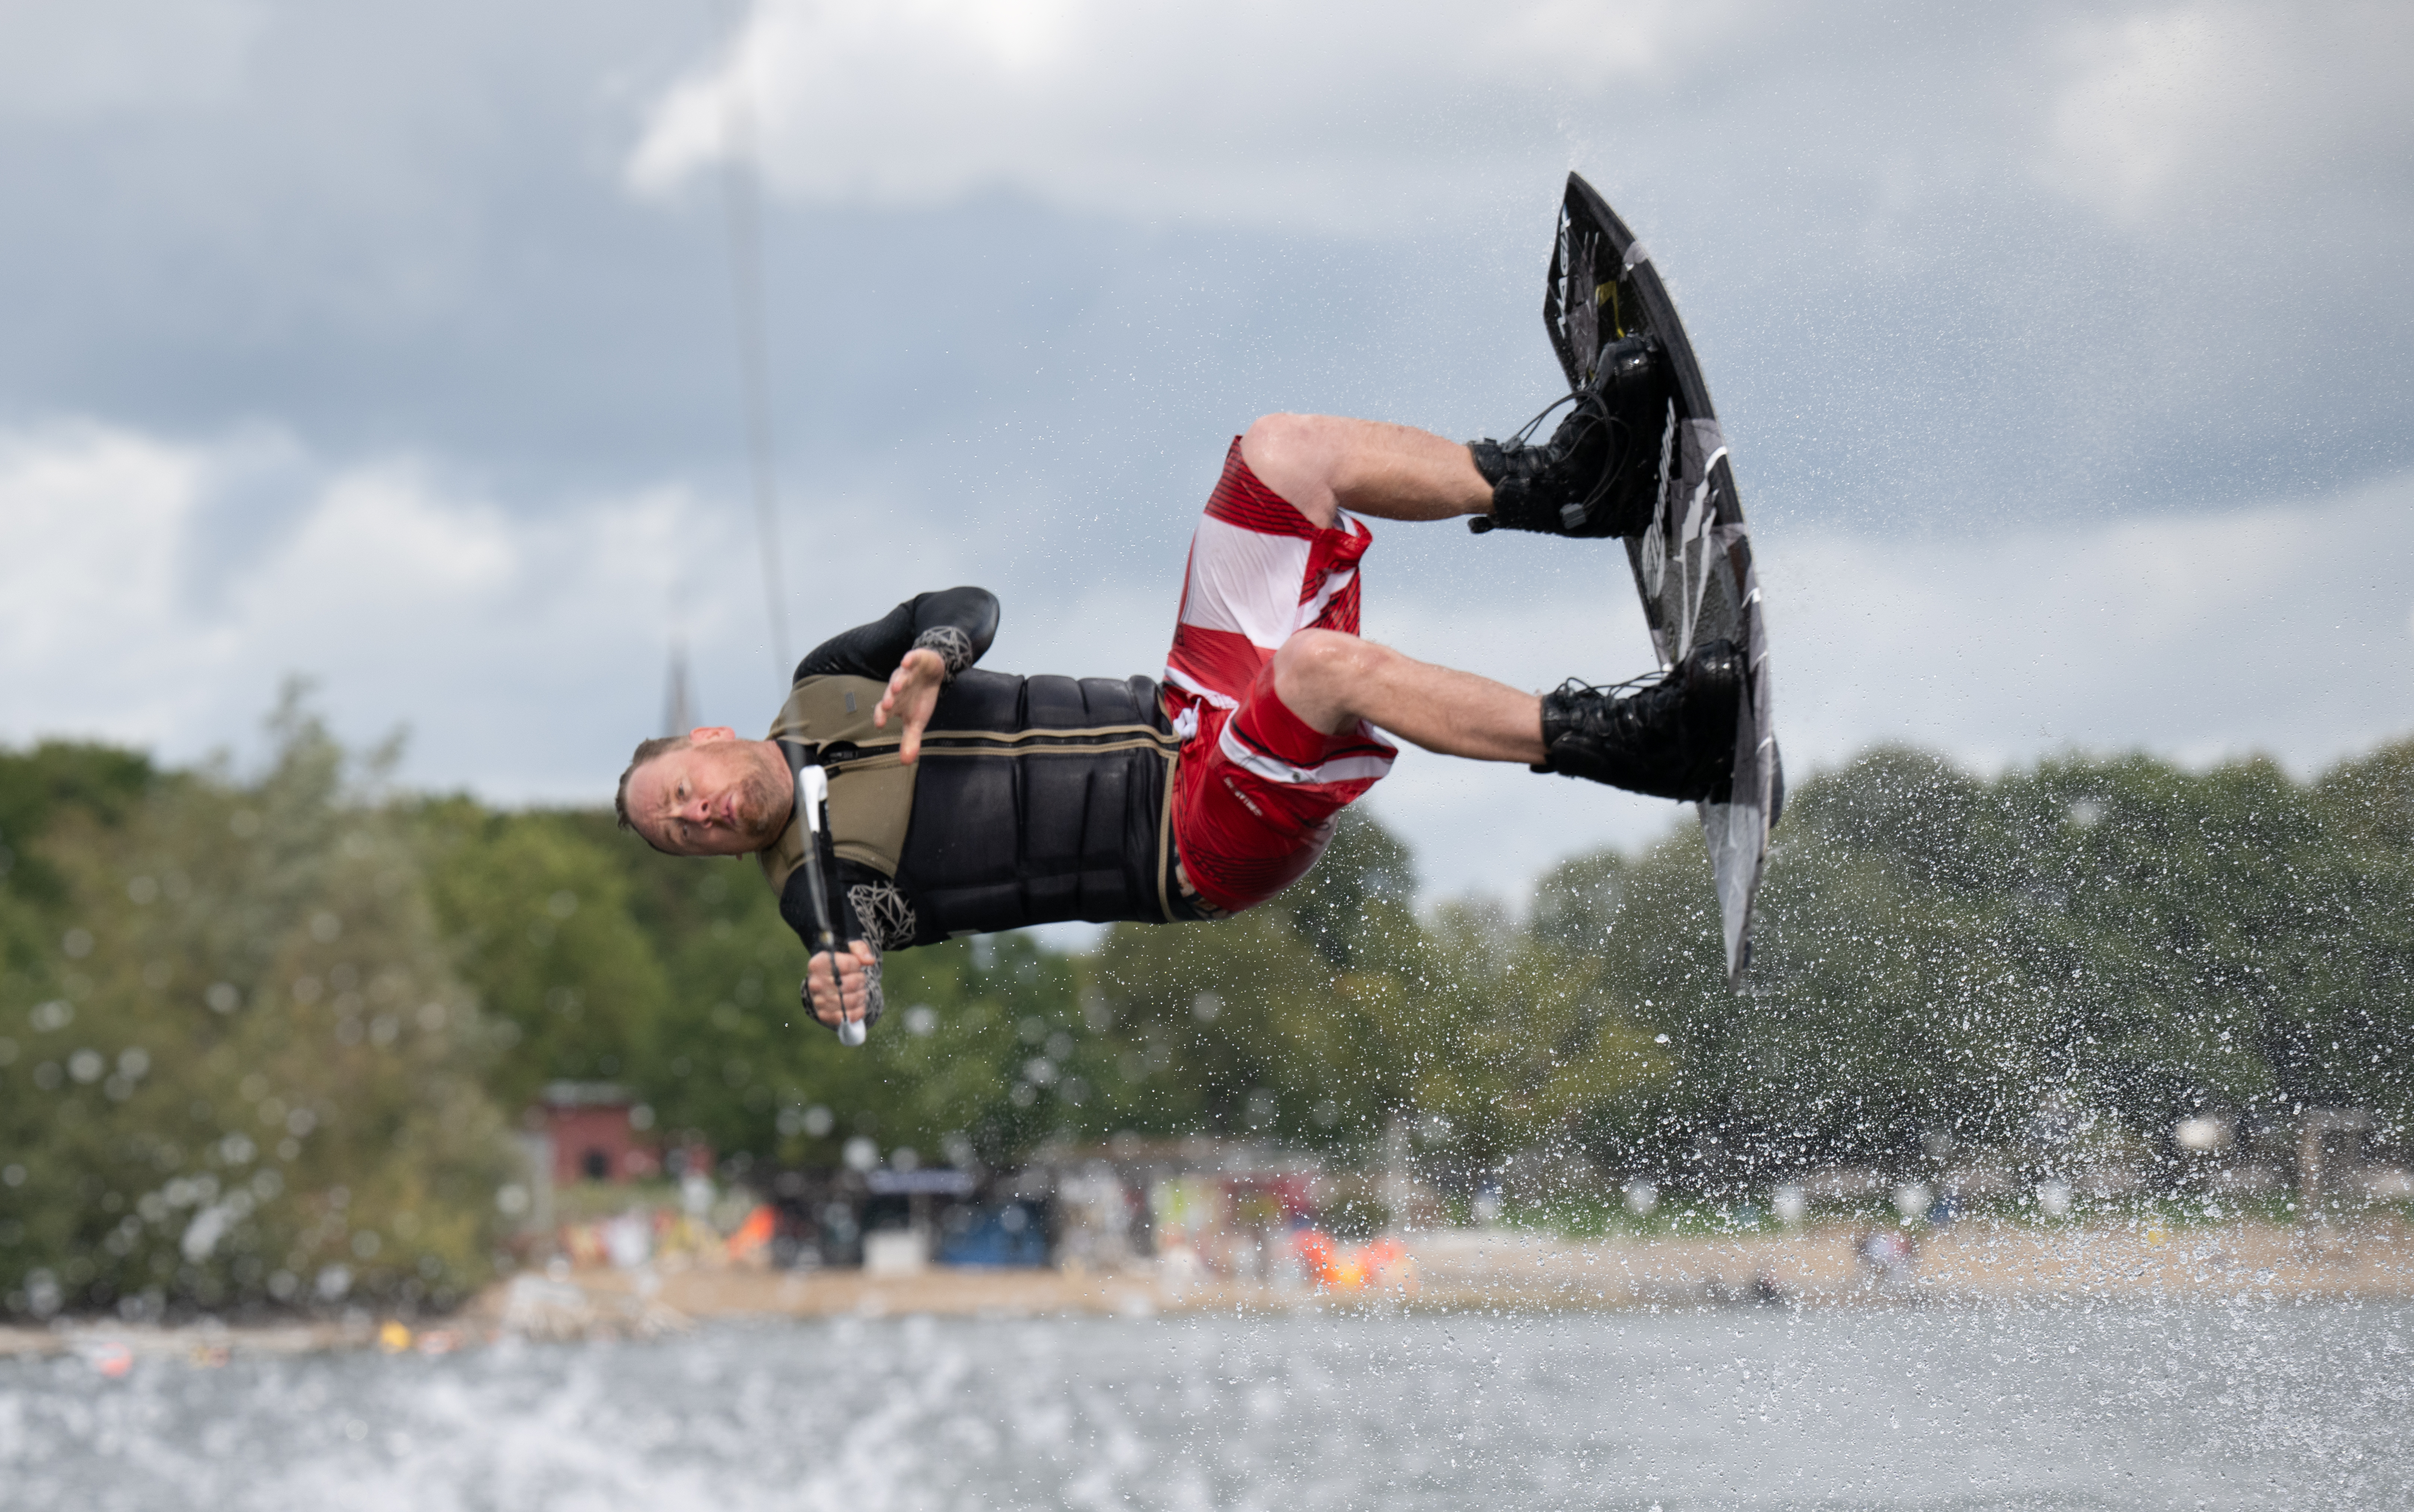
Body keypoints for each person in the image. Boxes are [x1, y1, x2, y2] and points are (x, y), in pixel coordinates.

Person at [618, 335, 1739, 1034]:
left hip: (1188, 707)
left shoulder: (826, 686)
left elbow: (961, 604)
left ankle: (1580, 484)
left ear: (707, 738)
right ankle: (1636, 746)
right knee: (1321, 671)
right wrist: (839, 977)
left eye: (681, 795)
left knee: (1280, 447)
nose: (700, 818)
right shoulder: (813, 880)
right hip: (1197, 840)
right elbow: (839, 944)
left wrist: (936, 658)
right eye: (682, 838)